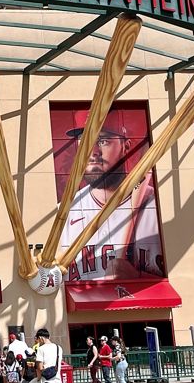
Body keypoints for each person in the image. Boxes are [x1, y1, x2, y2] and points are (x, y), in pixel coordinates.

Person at [58, 108, 164, 280]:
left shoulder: (157, 206)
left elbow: (186, 283)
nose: (92, 152)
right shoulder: (63, 215)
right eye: (84, 142)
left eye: (103, 140)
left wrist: (137, 278)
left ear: (126, 146)